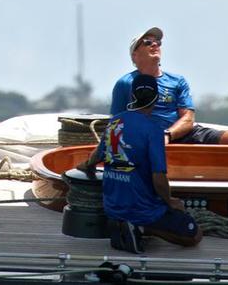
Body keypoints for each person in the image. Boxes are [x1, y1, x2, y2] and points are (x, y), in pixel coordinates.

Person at [79, 73, 203, 253]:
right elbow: (159, 178)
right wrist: (170, 202)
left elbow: (96, 156)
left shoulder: (115, 122)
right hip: (141, 210)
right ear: (156, 98)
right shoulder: (154, 131)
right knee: (195, 235)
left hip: (112, 207)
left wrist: (85, 166)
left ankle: (125, 226)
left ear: (132, 97)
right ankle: (142, 228)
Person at [111, 27, 228, 145]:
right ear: (134, 55)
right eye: (147, 42)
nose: (155, 44)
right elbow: (115, 125)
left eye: (158, 42)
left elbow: (188, 118)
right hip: (144, 140)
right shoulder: (125, 83)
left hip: (178, 134)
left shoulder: (177, 81)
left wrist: (167, 135)